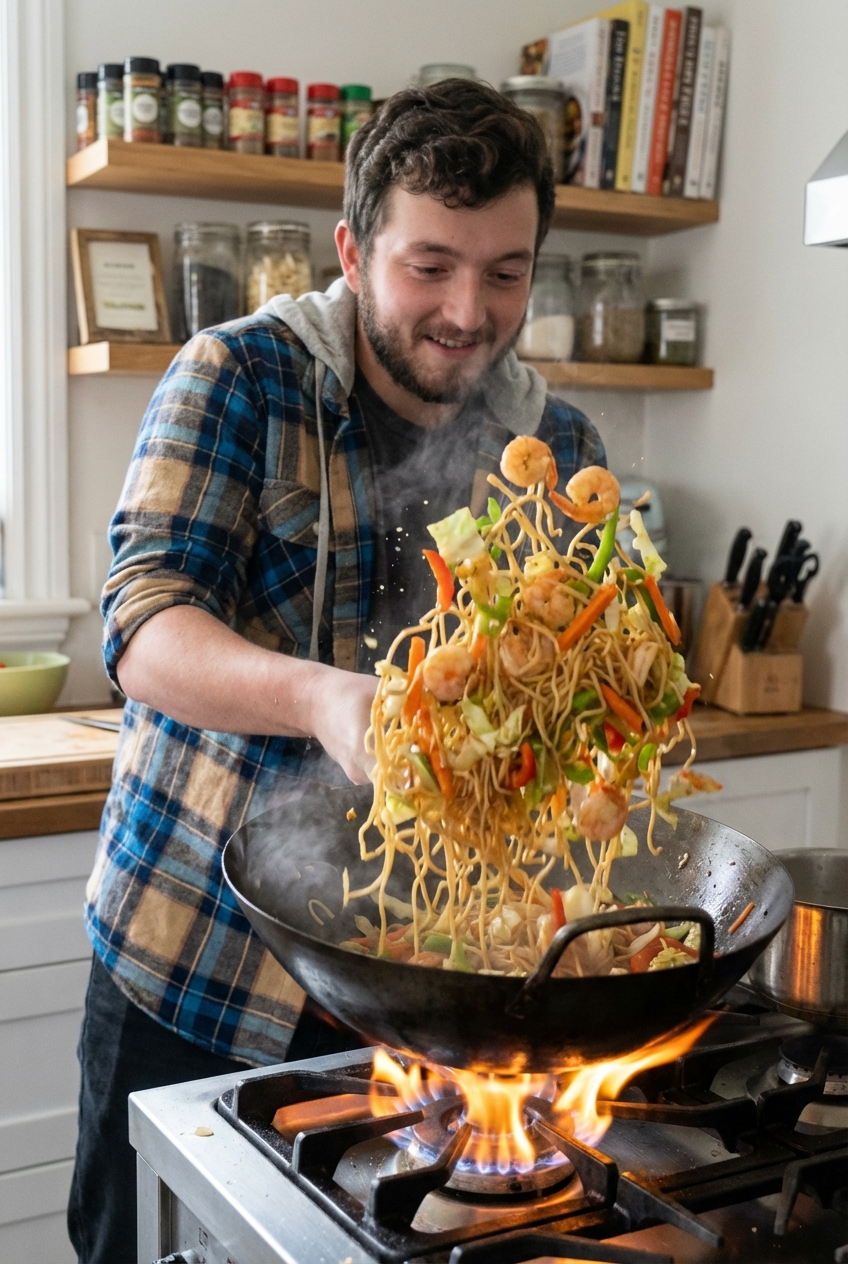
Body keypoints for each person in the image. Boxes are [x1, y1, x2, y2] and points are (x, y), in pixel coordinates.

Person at [68, 77, 606, 1262]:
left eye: (505, 271)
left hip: (428, 996)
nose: (468, 310)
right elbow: (142, 621)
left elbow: (567, 695)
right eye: (430, 266)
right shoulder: (241, 379)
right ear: (353, 250)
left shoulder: (557, 447)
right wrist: (324, 696)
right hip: (198, 973)